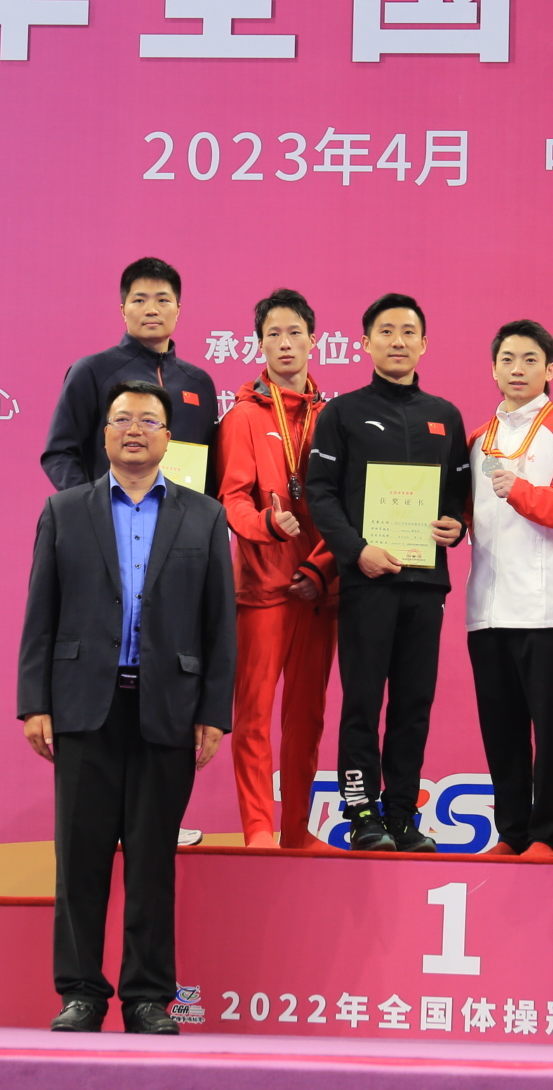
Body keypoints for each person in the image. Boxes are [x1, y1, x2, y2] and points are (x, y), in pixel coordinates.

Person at [18, 381, 237, 1035]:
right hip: (84, 704)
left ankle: (147, 997)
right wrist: (35, 702)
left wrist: (214, 711)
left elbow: (220, 624)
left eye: (148, 420)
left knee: (151, 858)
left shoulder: (204, 516)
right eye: (121, 419)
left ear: (169, 438)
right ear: (104, 433)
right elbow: (41, 615)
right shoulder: (64, 511)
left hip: (168, 706)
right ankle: (81, 993)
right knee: (79, 857)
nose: (134, 429)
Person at [306, 293, 468, 853]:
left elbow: (458, 497)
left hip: (426, 584)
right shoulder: (341, 413)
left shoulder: (445, 416)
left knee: (413, 706)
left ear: (424, 343)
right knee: (362, 702)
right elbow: (321, 494)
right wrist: (356, 552)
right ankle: (360, 814)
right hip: (367, 582)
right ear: (365, 342)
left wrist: (455, 526)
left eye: (408, 332)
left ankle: (402, 815)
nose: (398, 341)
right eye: (386, 331)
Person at [464, 321, 553, 857]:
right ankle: (511, 832)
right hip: (485, 608)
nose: (517, 369)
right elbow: (465, 515)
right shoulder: (476, 439)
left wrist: (525, 493)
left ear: (550, 370)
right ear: (493, 368)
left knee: (550, 732)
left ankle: (547, 835)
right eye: (507, 359)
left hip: (543, 610)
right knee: (500, 730)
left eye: (530, 360)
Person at [215, 288, 337, 850]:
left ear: (315, 341)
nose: (285, 344)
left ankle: (297, 831)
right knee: (255, 715)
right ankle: (259, 828)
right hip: (264, 587)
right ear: (258, 344)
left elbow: (349, 507)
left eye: (295, 333)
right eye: (273, 335)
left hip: (318, 588)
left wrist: (322, 566)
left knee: (307, 717)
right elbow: (232, 499)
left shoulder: (333, 417)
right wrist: (267, 524)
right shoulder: (242, 416)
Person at [42, 257, 219, 491]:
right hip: (109, 511)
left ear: (178, 309)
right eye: (139, 300)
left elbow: (211, 466)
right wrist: (90, 506)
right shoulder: (92, 371)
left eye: (163, 300)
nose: (152, 310)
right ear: (123, 310)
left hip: (183, 513)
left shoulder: (199, 383)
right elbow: (60, 453)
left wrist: (204, 511)